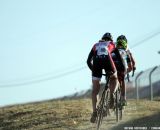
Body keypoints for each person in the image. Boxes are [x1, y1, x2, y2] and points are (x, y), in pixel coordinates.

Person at [87, 32, 125, 123]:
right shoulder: (112, 44)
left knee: (95, 90)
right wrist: (122, 70)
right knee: (114, 77)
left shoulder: (95, 45)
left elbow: (88, 61)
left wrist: (94, 71)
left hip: (96, 64)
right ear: (111, 40)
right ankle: (112, 94)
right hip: (108, 61)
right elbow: (119, 60)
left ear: (102, 39)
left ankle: (94, 112)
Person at [113, 35, 136, 106]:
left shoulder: (114, 45)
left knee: (111, 77)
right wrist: (132, 67)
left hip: (112, 65)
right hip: (122, 66)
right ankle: (123, 99)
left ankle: (110, 95)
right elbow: (132, 62)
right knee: (123, 80)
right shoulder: (126, 48)